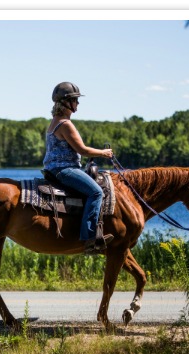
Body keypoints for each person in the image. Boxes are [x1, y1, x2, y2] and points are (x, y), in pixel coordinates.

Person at [42, 81, 114, 253]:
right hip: (65, 170)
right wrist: (104, 153)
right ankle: (89, 238)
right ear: (66, 102)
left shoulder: (55, 121)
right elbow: (82, 149)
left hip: (54, 169)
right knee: (97, 192)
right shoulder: (65, 124)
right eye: (75, 100)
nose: (78, 103)